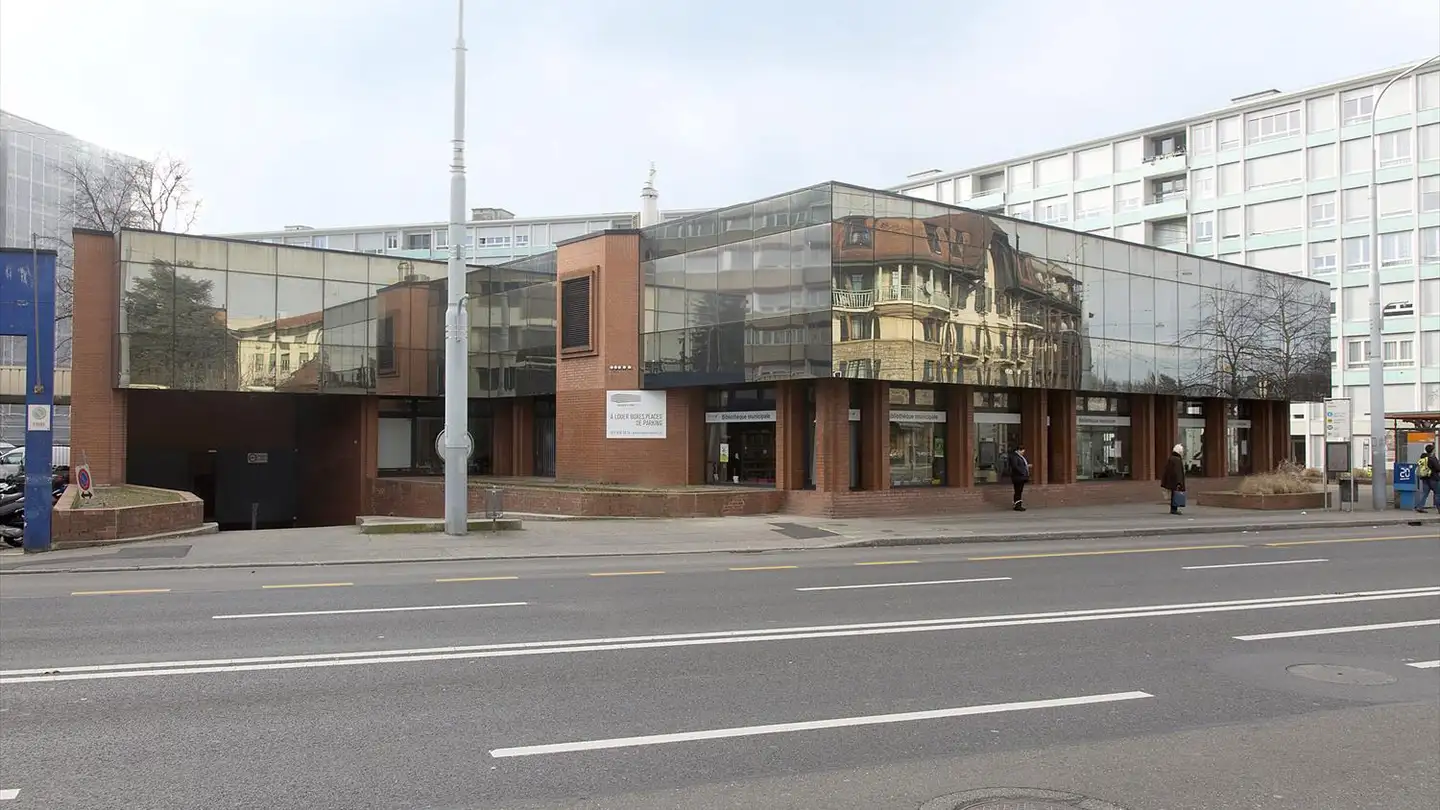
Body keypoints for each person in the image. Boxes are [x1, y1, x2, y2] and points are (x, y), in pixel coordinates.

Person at [1161, 443, 1187, 515]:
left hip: (1171, 480)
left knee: (1173, 494)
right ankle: (1174, 509)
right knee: (1175, 494)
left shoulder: (1171, 458)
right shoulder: (1177, 460)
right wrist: (1179, 482)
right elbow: (1178, 472)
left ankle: (1173, 508)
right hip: (1175, 481)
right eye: (1182, 451)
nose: (1183, 452)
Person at [1416, 443, 1439, 513]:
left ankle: (1420, 507)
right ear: (1432, 450)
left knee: (1424, 493)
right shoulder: (1432, 458)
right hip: (1434, 479)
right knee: (1437, 494)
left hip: (1425, 479)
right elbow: (1438, 468)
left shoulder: (1423, 458)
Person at [1009, 444, 1031, 512]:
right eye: (1022, 451)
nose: (1023, 453)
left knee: (1019, 491)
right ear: (1018, 450)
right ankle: (1017, 505)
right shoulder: (1014, 457)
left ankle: (1018, 504)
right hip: (1018, 477)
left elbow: (1021, 465)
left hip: (1021, 477)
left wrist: (1026, 466)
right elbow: (1015, 466)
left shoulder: (1019, 457)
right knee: (1018, 491)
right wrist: (1023, 471)